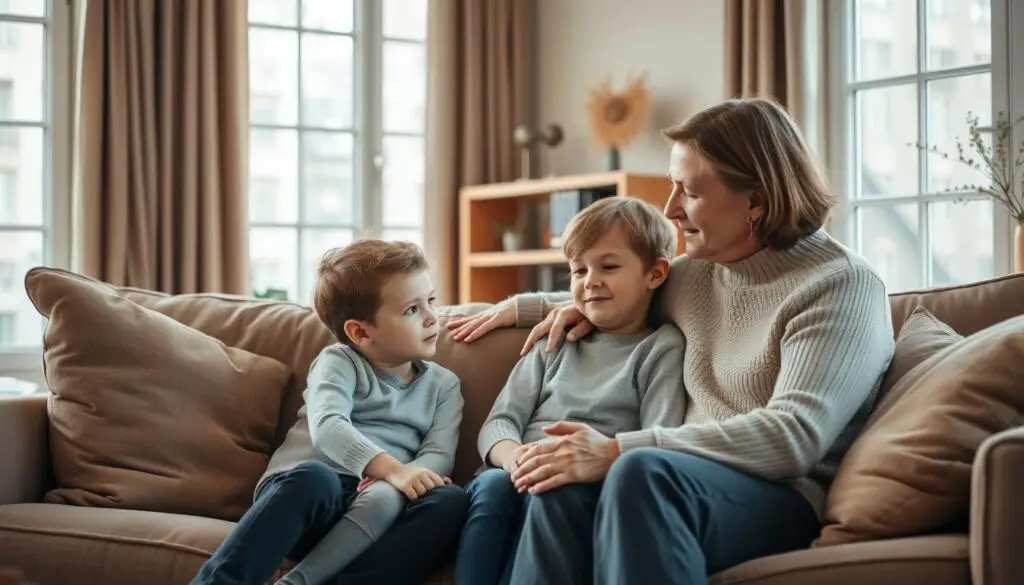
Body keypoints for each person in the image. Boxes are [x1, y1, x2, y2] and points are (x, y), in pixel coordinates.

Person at [446, 97, 895, 585]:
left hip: (779, 495)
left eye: (691, 192)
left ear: (756, 201)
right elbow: (617, 287)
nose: (670, 209)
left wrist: (619, 449)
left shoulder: (839, 285)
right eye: (672, 187)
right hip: (672, 477)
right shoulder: (701, 273)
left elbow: (794, 436)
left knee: (640, 473)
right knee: (559, 484)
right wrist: (523, 307)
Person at [191, 239, 468, 585]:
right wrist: (390, 469)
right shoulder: (338, 362)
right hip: (312, 500)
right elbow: (328, 427)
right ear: (360, 332)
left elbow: (438, 454)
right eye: (412, 310)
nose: (431, 318)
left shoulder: (445, 386)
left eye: (431, 301)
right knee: (313, 478)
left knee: (451, 502)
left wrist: (398, 482)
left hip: (384, 507)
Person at [453, 197, 688, 585]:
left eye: (608, 267)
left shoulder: (661, 348)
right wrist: (514, 458)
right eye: (578, 270)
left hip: (584, 480)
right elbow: (500, 422)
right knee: (492, 488)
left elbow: (656, 438)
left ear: (655, 274)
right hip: (514, 470)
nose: (589, 281)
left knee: (553, 491)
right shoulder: (556, 340)